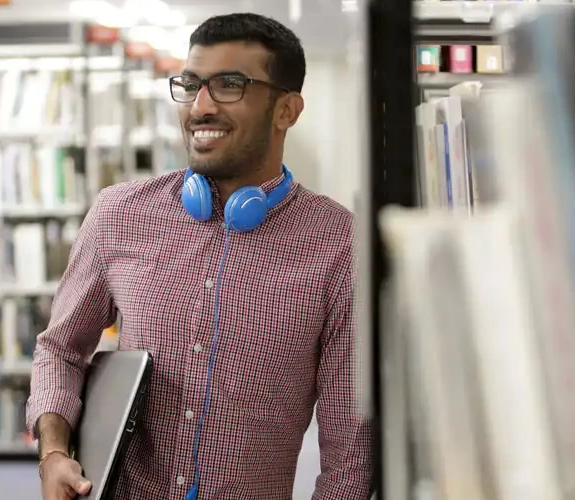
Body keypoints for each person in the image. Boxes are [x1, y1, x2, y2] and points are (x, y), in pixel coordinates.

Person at [28, 12, 372, 500]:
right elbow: (60, 349)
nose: (200, 106)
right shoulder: (118, 214)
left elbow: (349, 446)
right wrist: (54, 453)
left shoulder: (339, 244)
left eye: (229, 85)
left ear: (287, 111)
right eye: (191, 85)